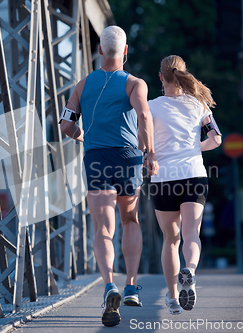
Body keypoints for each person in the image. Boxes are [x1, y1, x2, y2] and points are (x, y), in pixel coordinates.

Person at [59, 25, 158, 327]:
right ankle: (130, 285)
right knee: (130, 220)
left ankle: (108, 285)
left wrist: (83, 136)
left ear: (100, 50)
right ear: (125, 51)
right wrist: (150, 153)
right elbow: (143, 116)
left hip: (97, 158)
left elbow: (65, 126)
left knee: (103, 227)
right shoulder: (135, 84)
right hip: (127, 158)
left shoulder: (82, 85)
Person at [146, 55, 222, 315]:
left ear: (160, 77)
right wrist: (195, 148)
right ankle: (189, 269)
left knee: (170, 239)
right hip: (193, 174)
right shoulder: (199, 104)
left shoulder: (151, 107)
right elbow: (217, 138)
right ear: (183, 75)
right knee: (191, 233)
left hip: (163, 178)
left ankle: (172, 297)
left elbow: (142, 144)